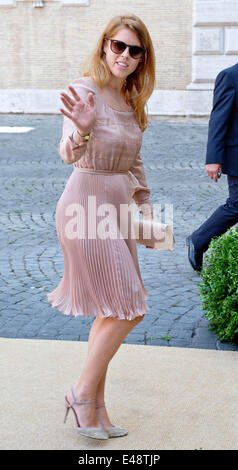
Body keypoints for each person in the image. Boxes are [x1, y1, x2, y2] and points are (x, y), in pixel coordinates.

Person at [46, 14, 155, 440]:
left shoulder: (131, 98)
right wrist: (83, 133)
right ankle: (80, 393)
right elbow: (65, 152)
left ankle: (96, 410)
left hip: (120, 210)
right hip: (84, 206)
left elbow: (136, 162)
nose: (124, 56)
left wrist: (144, 212)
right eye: (118, 46)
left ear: (143, 57)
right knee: (132, 306)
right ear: (104, 45)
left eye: (134, 50)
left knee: (112, 309)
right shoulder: (83, 91)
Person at [186, 62, 238, 272]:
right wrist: (213, 159)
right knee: (236, 205)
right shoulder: (230, 76)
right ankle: (198, 241)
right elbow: (218, 119)